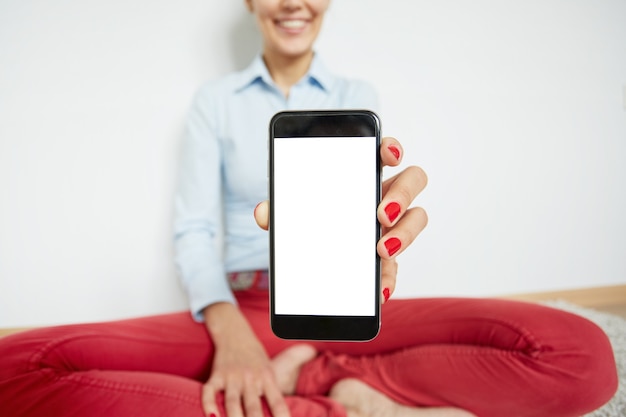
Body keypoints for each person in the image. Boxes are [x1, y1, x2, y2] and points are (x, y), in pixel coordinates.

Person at [0, 1, 618, 416]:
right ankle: (309, 402)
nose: (294, 0)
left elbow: (375, 221)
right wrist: (233, 336)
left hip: (348, 301)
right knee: (14, 366)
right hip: (240, 306)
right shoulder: (214, 101)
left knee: (583, 357)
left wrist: (386, 232)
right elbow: (195, 229)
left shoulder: (357, 98)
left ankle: (320, 375)